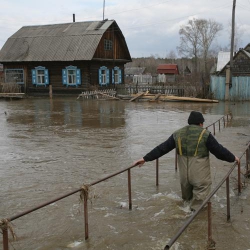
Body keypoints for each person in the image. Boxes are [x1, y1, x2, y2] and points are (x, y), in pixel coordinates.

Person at [133, 111, 240, 211]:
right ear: (201, 123)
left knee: (186, 204)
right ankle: (195, 227)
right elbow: (219, 151)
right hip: (200, 177)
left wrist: (145, 158)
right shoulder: (205, 134)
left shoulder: (178, 134)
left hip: (184, 178)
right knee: (198, 209)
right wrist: (233, 158)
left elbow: (162, 148)